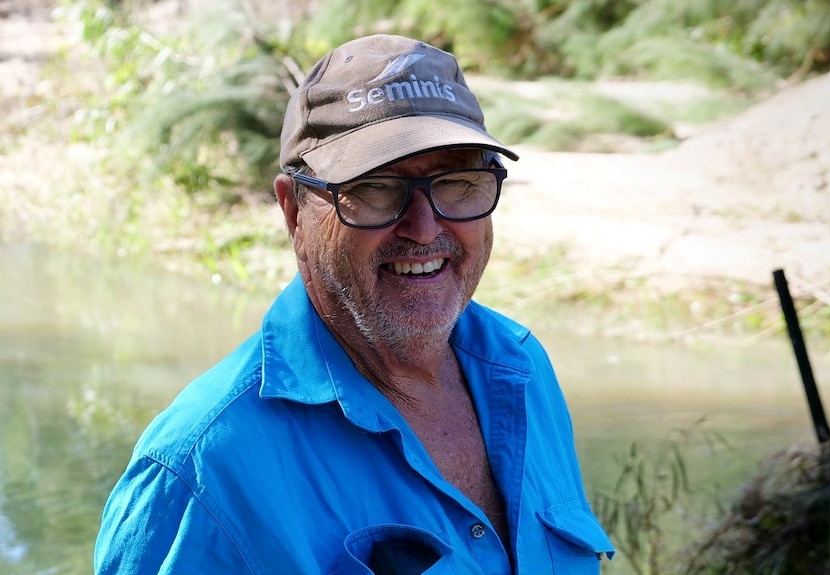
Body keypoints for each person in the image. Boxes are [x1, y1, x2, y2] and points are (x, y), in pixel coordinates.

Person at [94, 33, 614, 574]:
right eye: (375, 188)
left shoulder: (522, 367)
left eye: (458, 181)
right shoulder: (200, 470)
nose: (423, 228)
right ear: (294, 209)